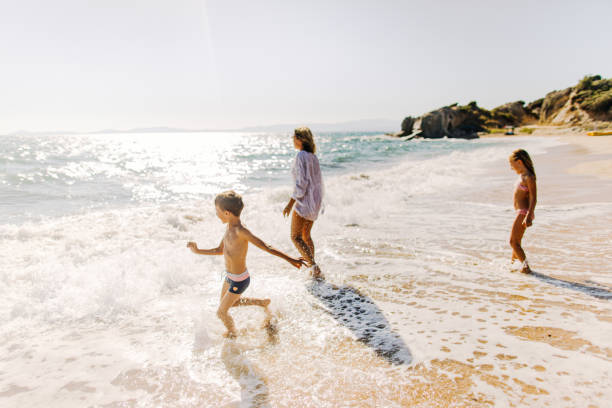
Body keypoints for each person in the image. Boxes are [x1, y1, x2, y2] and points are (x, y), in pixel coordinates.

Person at [188, 190, 305, 338]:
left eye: (217, 211)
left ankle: (232, 333)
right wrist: (198, 251)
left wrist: (292, 260)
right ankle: (261, 303)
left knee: (221, 312)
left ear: (227, 213)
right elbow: (219, 250)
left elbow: (266, 247)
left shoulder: (241, 231)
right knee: (232, 304)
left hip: (240, 280)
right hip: (229, 277)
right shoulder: (228, 228)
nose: (216, 214)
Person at [283, 127, 324, 278]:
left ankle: (313, 266)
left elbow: (302, 184)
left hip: (304, 202)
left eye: (294, 137)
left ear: (300, 139)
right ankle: (312, 271)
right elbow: (317, 183)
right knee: (306, 235)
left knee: (295, 236)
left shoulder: (301, 156)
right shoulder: (313, 156)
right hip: (314, 203)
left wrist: (290, 204)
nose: (293, 140)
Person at [509, 149, 537, 274]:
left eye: (512, 164)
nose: (511, 168)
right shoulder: (522, 176)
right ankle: (513, 266)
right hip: (520, 212)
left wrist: (529, 215)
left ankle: (526, 269)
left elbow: (533, 197)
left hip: (523, 213)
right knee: (516, 242)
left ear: (519, 162)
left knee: (513, 242)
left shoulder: (528, 177)